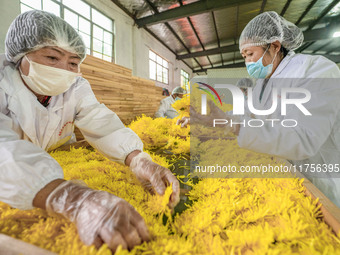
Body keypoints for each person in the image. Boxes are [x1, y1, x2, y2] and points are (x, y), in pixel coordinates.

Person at [0, 10, 180, 251]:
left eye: (73, 62)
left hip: (56, 156)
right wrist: (72, 198)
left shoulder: (75, 86)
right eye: (53, 58)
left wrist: (138, 159)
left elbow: (100, 122)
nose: (64, 69)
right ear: (20, 55)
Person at [191, 11, 340, 207]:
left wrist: (232, 125)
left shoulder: (314, 70)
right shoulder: (263, 83)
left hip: (320, 180)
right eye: (244, 56)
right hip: (286, 174)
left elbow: (303, 138)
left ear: (275, 46)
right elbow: (249, 115)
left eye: (250, 54)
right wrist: (213, 119)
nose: (247, 62)